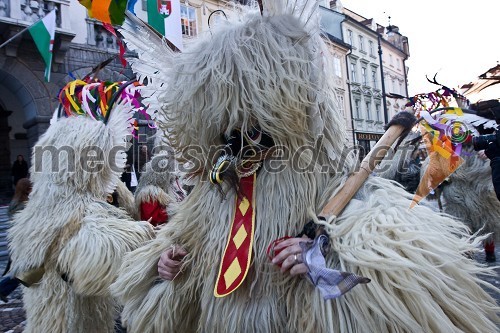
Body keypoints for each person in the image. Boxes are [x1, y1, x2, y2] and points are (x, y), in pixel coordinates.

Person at [111, 2, 499, 332]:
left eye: (255, 124)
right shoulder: (210, 195)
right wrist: (165, 267)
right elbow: (170, 254)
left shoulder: (329, 181)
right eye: (230, 128)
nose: (243, 140)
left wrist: (326, 255)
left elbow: (396, 262)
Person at [0, 178, 32, 302]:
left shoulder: (15, 202)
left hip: (18, 242)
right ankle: (2, 289)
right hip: (23, 243)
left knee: (28, 271)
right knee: (29, 271)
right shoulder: (24, 206)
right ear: (27, 189)